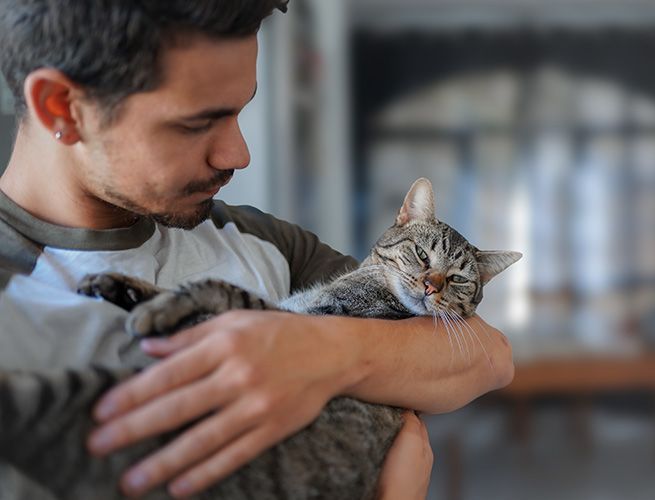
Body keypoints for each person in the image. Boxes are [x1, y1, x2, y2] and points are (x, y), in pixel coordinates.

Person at [0, 1, 514, 499]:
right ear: (62, 107)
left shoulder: (267, 242)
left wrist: (319, 351)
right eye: (198, 122)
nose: (237, 154)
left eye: (242, 111)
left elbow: (488, 356)